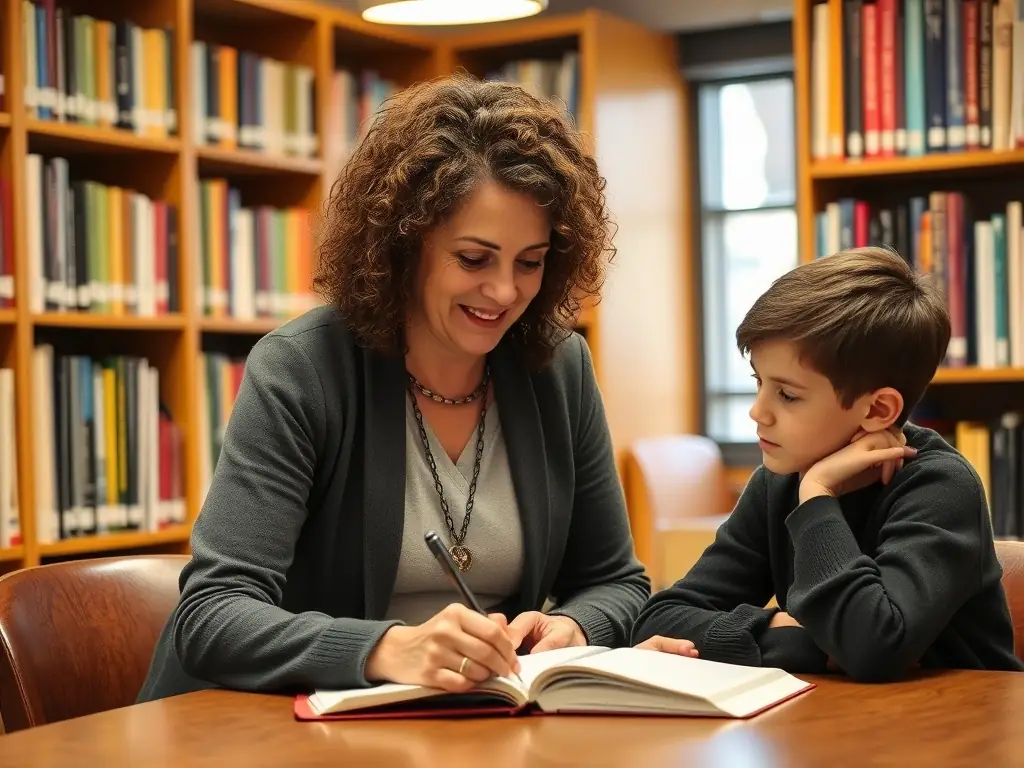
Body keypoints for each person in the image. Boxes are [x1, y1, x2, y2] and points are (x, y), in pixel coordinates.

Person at [137, 72, 691, 703]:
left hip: (470, 723)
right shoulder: (301, 369)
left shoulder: (558, 369)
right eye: (473, 259)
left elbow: (615, 580)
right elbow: (211, 615)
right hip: (268, 731)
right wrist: (385, 647)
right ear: (405, 243)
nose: (505, 292)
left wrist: (573, 625)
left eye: (530, 262)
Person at [631, 246, 1024, 682]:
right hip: (831, 727)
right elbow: (660, 619)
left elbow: (874, 646)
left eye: (788, 395)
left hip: (957, 731)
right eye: (758, 382)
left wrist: (817, 495)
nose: (757, 412)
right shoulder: (778, 482)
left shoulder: (940, 486)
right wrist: (799, 638)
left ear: (877, 410)